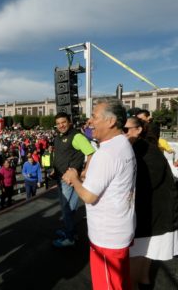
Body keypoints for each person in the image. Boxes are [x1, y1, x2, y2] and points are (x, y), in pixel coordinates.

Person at [63, 99, 136, 290]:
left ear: (111, 121)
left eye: (94, 116)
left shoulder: (107, 153)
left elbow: (88, 196)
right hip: (119, 229)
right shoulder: (123, 144)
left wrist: (75, 179)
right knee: (121, 282)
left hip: (107, 237)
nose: (89, 122)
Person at [124, 116, 178, 289]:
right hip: (152, 217)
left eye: (125, 130)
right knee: (143, 267)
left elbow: (145, 184)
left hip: (150, 217)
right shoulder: (142, 149)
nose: (121, 134)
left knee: (134, 268)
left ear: (139, 130)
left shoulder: (146, 151)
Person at [52, 112, 95, 248]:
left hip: (70, 179)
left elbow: (91, 153)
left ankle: (70, 237)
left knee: (67, 209)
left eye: (63, 122)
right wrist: (55, 169)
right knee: (67, 209)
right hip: (60, 176)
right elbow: (60, 155)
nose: (61, 125)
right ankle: (70, 232)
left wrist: (85, 171)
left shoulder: (76, 136)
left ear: (69, 122)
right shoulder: (59, 137)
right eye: (58, 123)